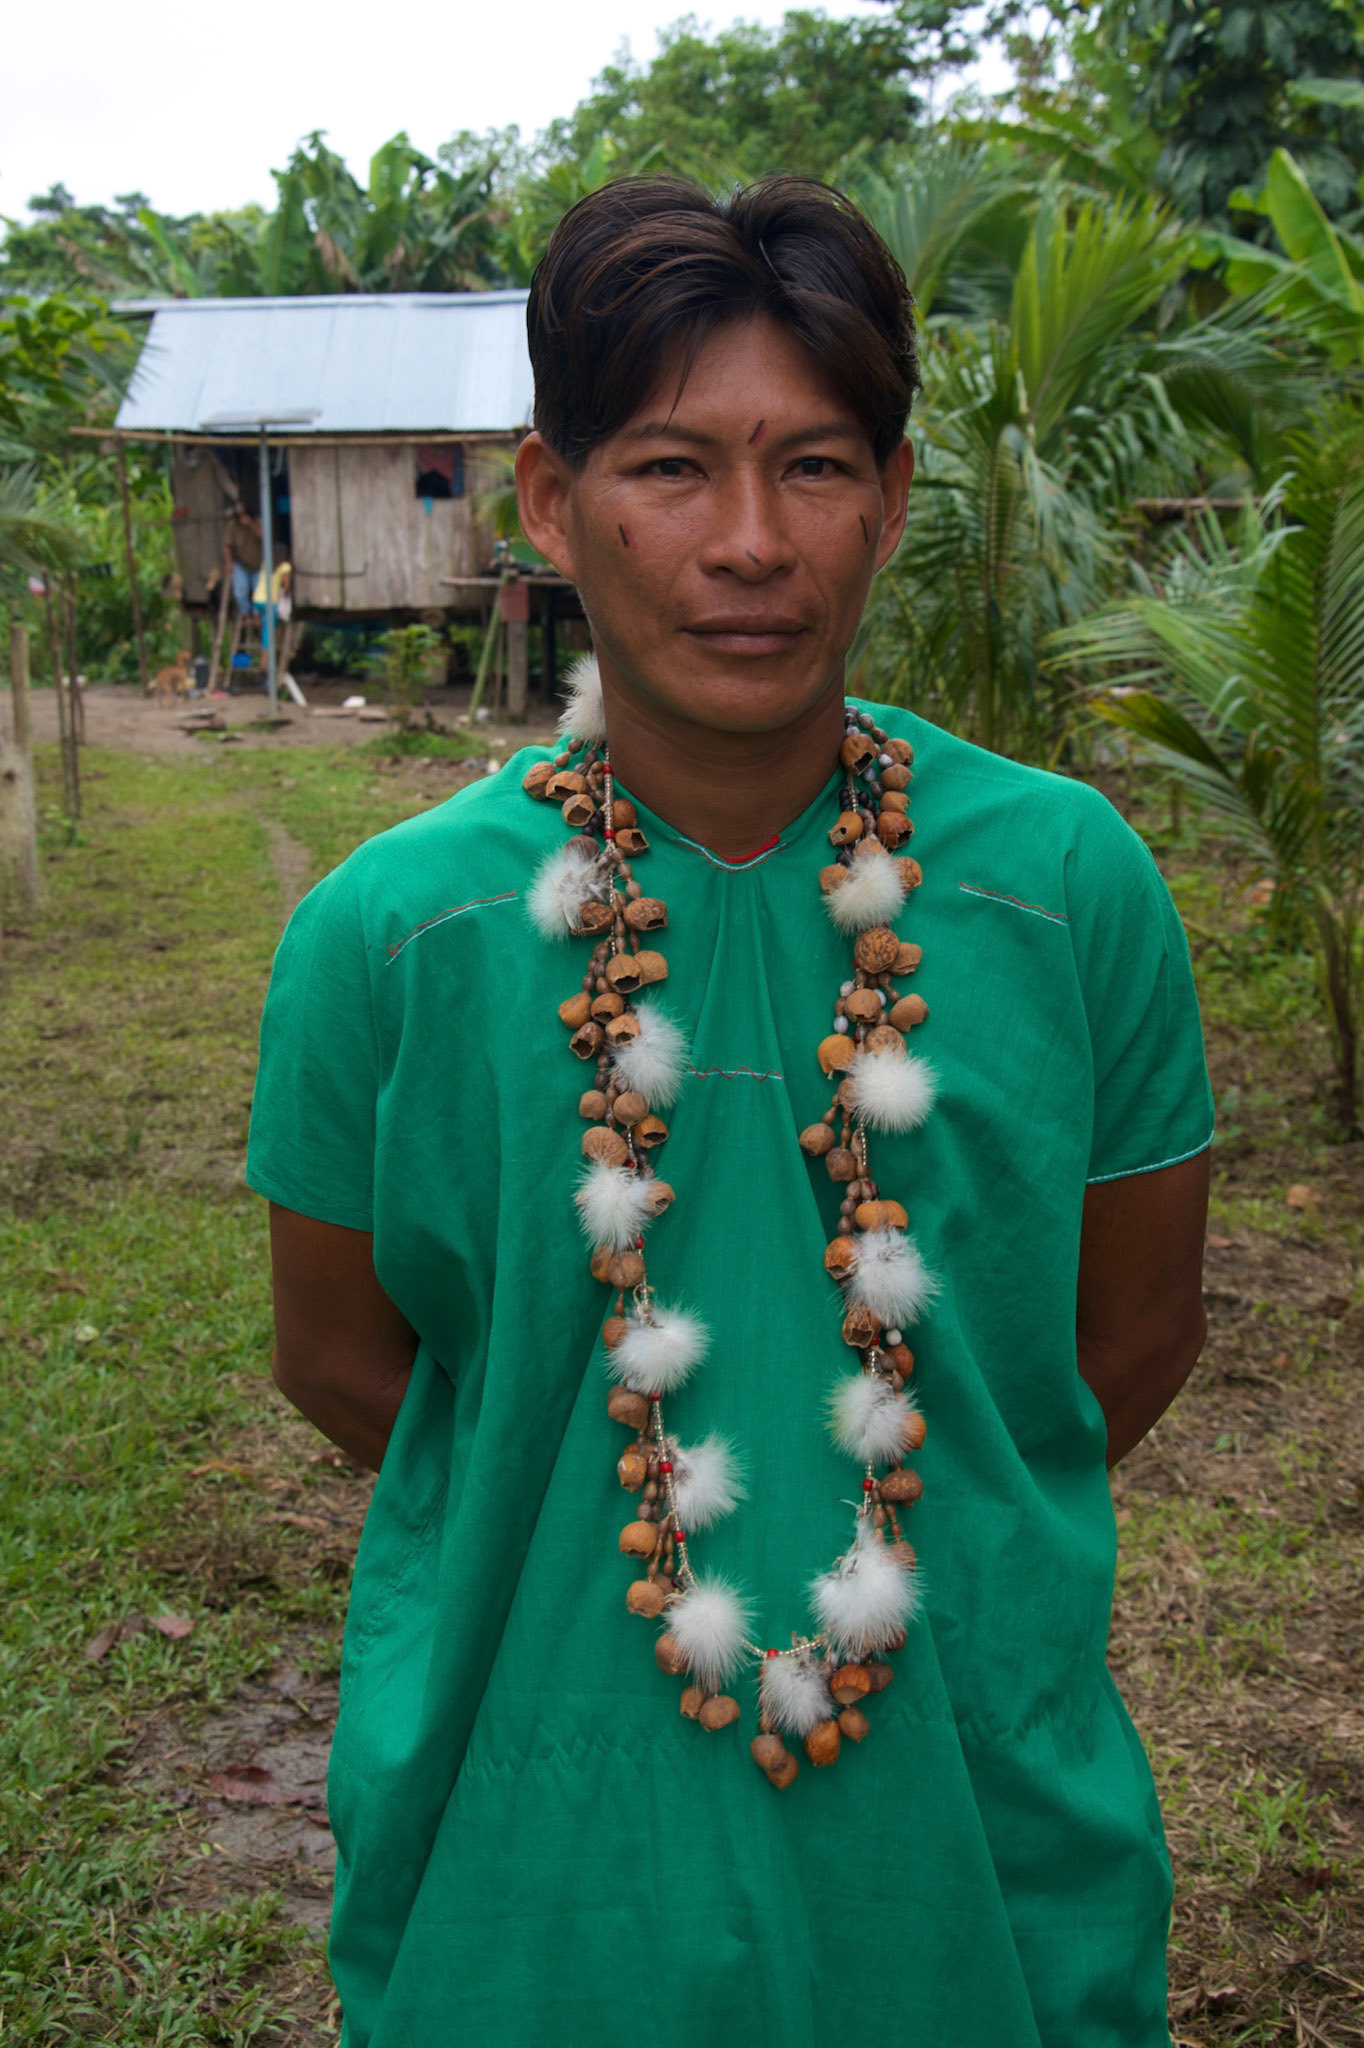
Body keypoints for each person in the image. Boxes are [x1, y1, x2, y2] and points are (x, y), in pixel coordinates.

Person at [246, 176, 1212, 2048]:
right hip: (534, 1859)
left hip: (985, 1846)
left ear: (894, 501)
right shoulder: (391, 931)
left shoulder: (1067, 887)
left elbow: (1128, 1340)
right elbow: (342, 1359)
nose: (750, 542)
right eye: (674, 467)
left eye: (818, 467)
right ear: (550, 500)